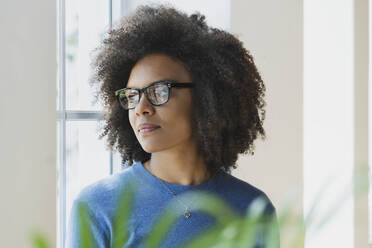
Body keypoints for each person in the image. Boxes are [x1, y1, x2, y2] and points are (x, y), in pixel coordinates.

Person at [65, 3, 280, 248]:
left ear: (207, 97)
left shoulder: (252, 209)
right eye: (132, 95)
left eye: (158, 91)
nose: (141, 107)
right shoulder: (97, 207)